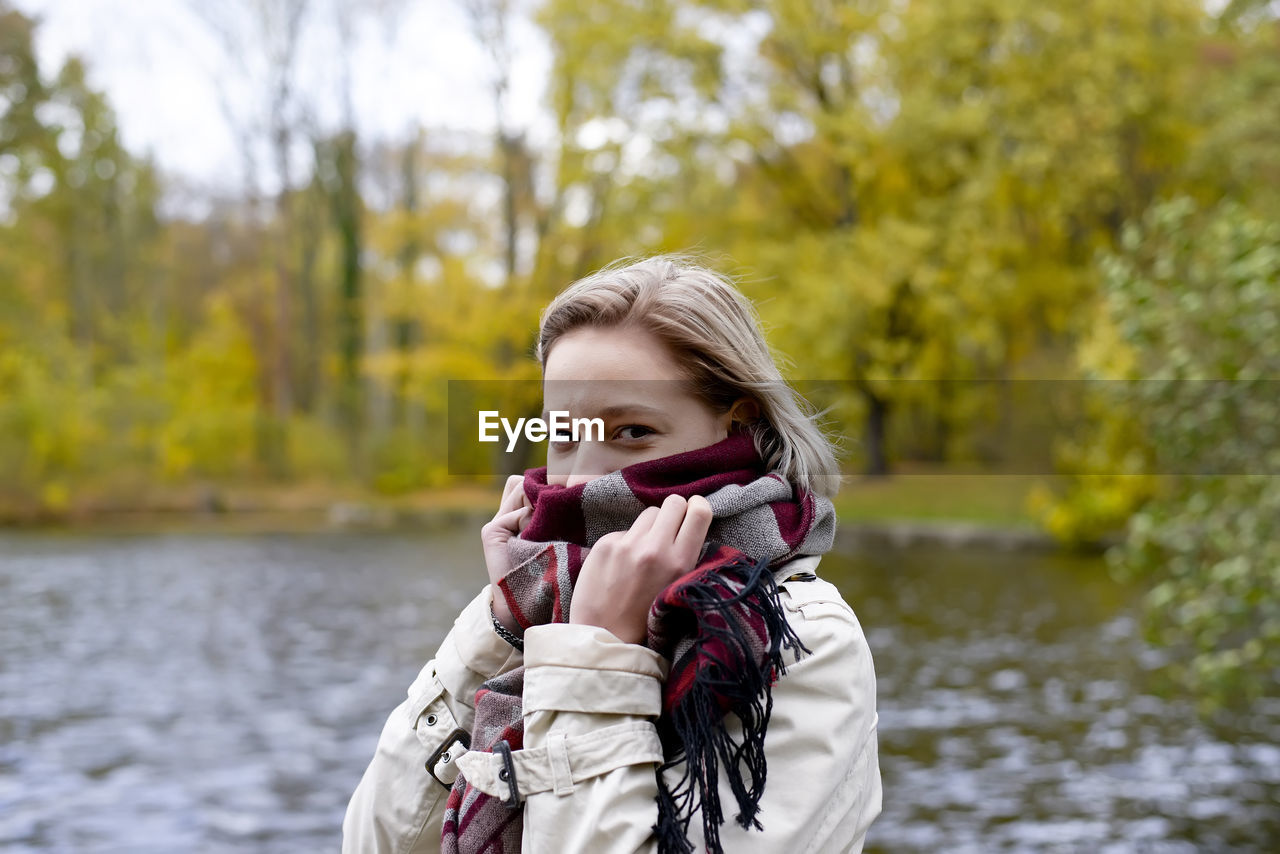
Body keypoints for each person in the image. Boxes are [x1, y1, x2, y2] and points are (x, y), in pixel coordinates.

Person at [342, 256, 881, 853]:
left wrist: (598, 656)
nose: (576, 481)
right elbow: (376, 842)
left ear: (736, 422)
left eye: (630, 432)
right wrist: (504, 623)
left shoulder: (801, 639)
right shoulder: (546, 602)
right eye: (564, 436)